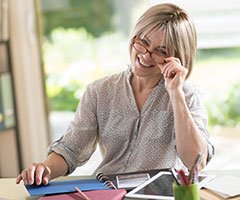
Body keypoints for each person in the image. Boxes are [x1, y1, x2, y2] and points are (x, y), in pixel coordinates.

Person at [16, 3, 214, 186]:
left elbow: (195, 161)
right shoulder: (99, 92)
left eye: (160, 51)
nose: (145, 55)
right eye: (143, 42)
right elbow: (72, 149)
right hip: (107, 191)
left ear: (177, 57)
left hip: (160, 193)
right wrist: (46, 168)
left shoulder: (187, 95)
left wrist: (175, 93)